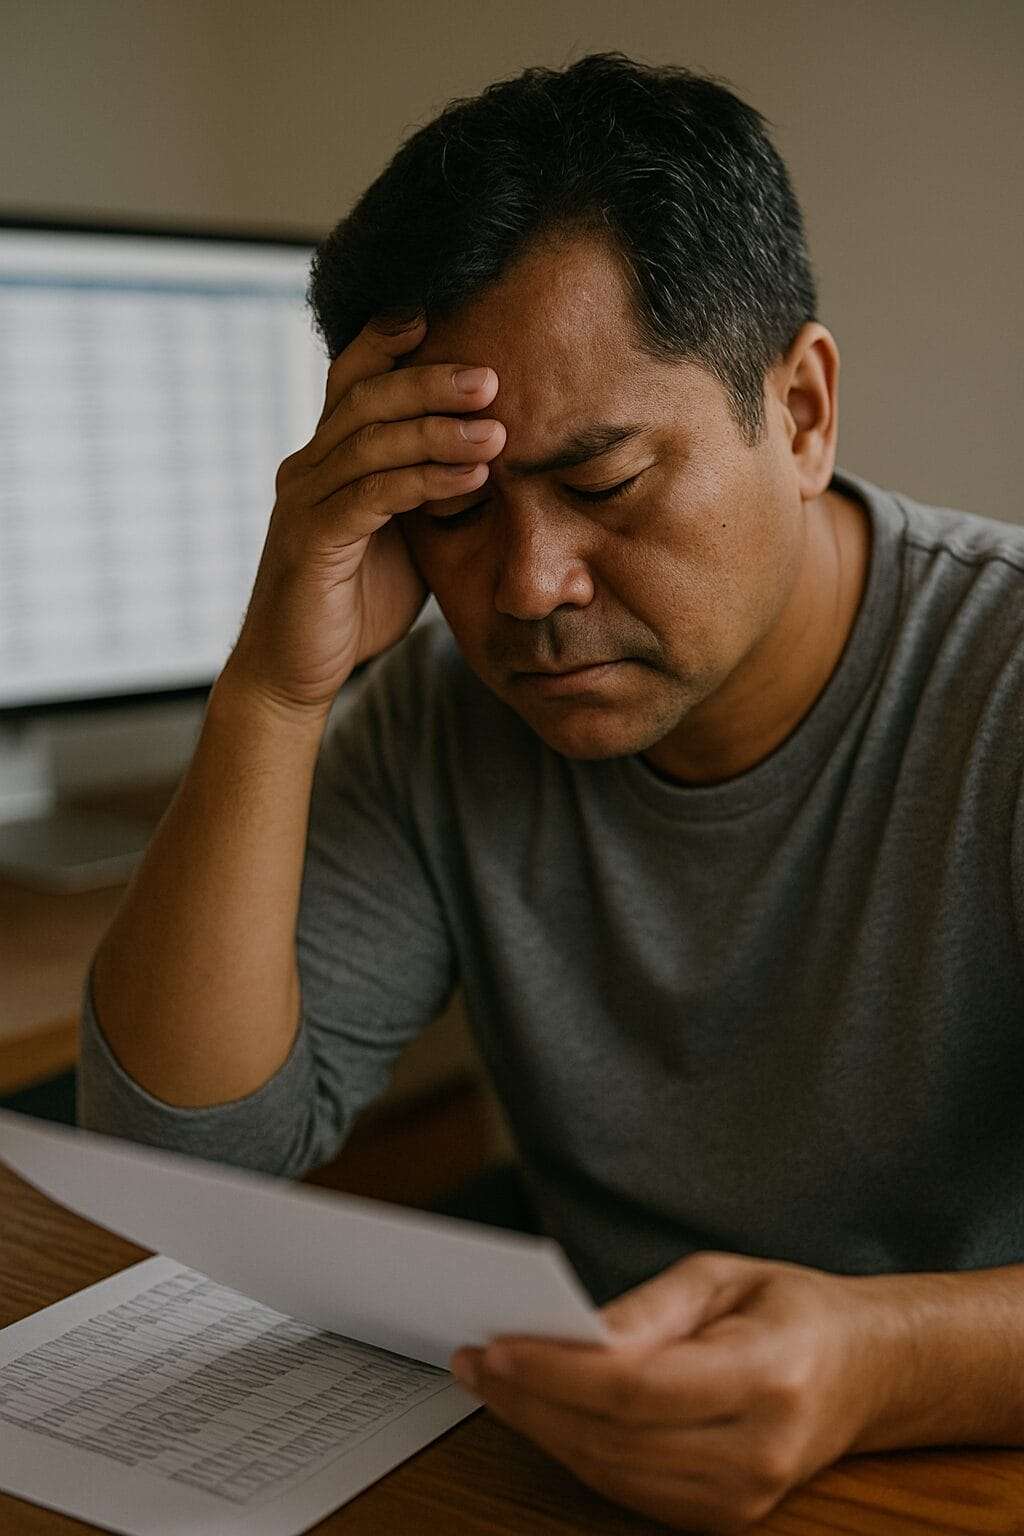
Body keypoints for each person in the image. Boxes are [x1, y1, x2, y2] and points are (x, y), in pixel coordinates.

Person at [76, 51, 1024, 1534]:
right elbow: (185, 1178)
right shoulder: (441, 711)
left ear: (804, 406)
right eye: (451, 507)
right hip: (593, 1461)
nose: (526, 592)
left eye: (604, 485)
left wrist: (883, 1363)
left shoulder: (1003, 684)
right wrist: (273, 688)